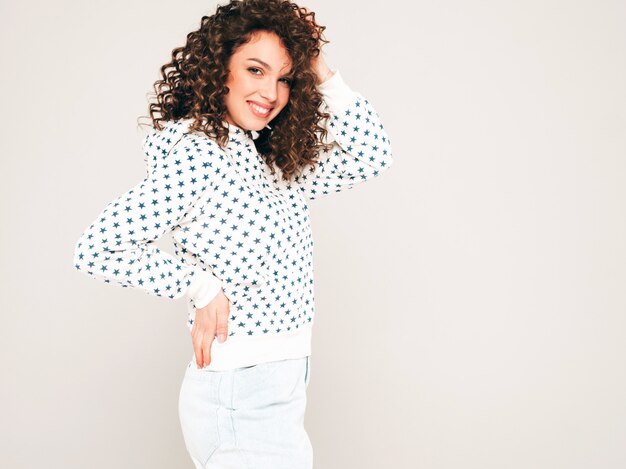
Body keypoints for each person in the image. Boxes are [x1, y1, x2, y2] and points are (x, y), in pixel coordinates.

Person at [72, 0, 393, 467]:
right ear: (219, 68)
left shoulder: (267, 163)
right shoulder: (198, 156)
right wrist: (202, 289)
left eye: (285, 77)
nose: (271, 91)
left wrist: (318, 62)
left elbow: (372, 155)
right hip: (239, 397)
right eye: (256, 70)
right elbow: (96, 249)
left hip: (279, 388)